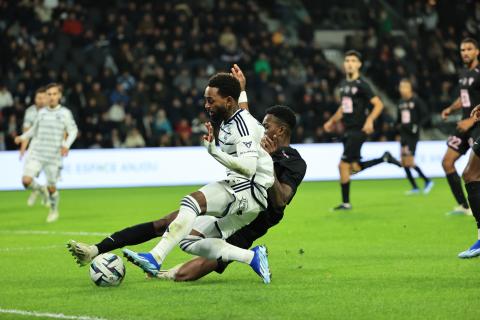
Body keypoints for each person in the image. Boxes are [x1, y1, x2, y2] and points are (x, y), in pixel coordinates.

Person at [67, 104, 306, 282]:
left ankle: (164, 273)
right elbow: (245, 120)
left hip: (250, 221)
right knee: (168, 222)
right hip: (233, 195)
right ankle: (95, 250)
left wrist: (269, 161)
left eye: (267, 126)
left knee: (199, 265)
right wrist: (240, 90)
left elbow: (282, 199)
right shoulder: (257, 141)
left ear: (281, 130)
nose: (262, 129)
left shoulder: (294, 161)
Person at [122, 72, 275, 283]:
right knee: (188, 239)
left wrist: (214, 151)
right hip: (249, 199)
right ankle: (252, 257)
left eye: (211, 100)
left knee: (192, 202)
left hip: (250, 187)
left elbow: (249, 168)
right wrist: (241, 87)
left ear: (228, 101)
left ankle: (155, 257)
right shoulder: (234, 117)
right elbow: (240, 106)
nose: (206, 105)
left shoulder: (242, 126)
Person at [324, 50, 401, 211]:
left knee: (343, 166)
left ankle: (346, 203)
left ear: (359, 64)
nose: (349, 63)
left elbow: (379, 104)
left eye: (353, 60)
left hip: (358, 130)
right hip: (348, 130)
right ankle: (384, 158)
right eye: (347, 60)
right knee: (354, 168)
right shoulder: (344, 86)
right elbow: (344, 108)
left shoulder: (362, 84)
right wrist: (331, 121)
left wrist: (370, 120)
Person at [15, 83, 78, 222]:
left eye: (54, 94)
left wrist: (66, 145)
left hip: (53, 156)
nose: (51, 97)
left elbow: (73, 131)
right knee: (26, 181)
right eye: (49, 94)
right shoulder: (41, 112)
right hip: (37, 153)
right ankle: (40, 190)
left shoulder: (65, 113)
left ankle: (54, 210)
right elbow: (34, 129)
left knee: (52, 187)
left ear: (59, 96)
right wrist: (23, 137)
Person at [440, 38, 480, 216]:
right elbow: (464, 97)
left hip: (476, 125)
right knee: (447, 162)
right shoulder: (464, 72)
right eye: (462, 49)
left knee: (475, 171)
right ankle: (465, 206)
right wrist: (450, 108)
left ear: (477, 51)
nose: (465, 52)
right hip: (463, 124)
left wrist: (471, 121)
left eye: (469, 49)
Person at [396, 79, 433, 195]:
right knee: (403, 162)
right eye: (401, 87)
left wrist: (417, 126)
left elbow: (426, 115)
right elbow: (399, 119)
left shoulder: (416, 101)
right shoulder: (400, 102)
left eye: (404, 87)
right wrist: (395, 125)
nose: (402, 89)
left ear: (409, 88)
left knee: (410, 162)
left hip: (412, 135)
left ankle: (428, 181)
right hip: (403, 134)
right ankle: (415, 187)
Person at [19, 87, 50, 207]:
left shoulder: (55, 112)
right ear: (35, 99)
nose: (41, 100)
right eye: (38, 98)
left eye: (43, 98)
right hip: (35, 149)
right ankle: (40, 189)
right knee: (26, 181)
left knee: (52, 182)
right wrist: (23, 149)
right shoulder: (30, 112)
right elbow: (26, 132)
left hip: (50, 149)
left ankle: (49, 199)